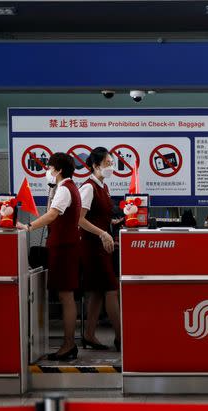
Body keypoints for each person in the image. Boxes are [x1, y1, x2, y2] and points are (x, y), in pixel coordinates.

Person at [18, 153, 81, 361]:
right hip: (64, 247)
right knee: (66, 296)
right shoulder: (68, 187)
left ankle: (69, 344)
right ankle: (68, 343)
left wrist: (29, 226)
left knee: (66, 296)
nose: (48, 171)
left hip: (64, 249)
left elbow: (53, 215)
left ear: (59, 170)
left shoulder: (64, 189)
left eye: (49, 167)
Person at [79, 147, 121, 352]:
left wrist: (112, 222)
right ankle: (121, 337)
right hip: (92, 246)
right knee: (112, 290)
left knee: (97, 293)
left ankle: (89, 334)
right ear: (95, 166)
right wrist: (103, 233)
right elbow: (79, 219)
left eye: (112, 163)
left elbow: (99, 215)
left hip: (103, 245)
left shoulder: (103, 187)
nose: (111, 166)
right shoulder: (88, 188)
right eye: (107, 163)